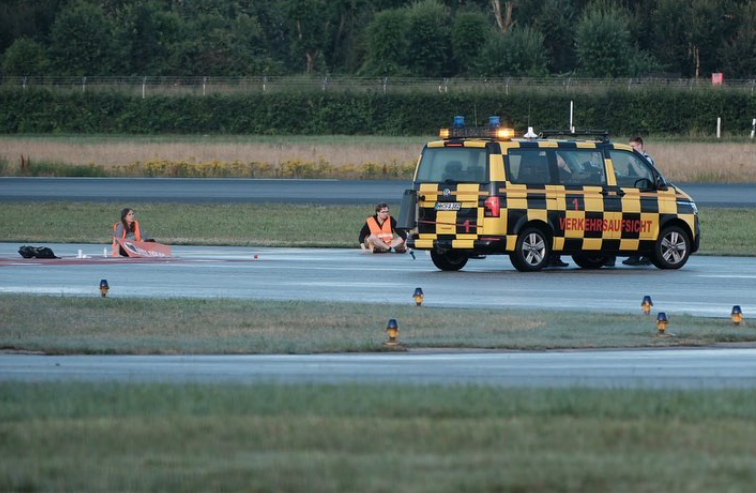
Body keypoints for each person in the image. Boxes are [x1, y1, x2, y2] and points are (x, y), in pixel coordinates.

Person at [623, 136, 654, 266]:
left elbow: (643, 175)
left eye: (634, 146)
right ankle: (635, 254)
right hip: (635, 195)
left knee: (641, 227)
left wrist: (633, 163)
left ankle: (642, 256)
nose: (632, 149)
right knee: (634, 226)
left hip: (645, 196)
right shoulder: (635, 160)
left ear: (640, 146)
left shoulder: (646, 160)